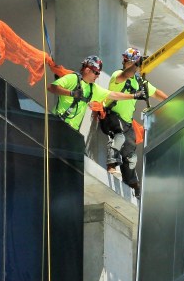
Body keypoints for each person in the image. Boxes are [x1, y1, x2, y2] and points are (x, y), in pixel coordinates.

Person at [100, 47, 168, 197]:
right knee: (119, 137)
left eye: (132, 62)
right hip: (111, 116)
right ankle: (111, 166)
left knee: (131, 156)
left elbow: (155, 92)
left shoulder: (139, 81)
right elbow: (126, 74)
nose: (128, 64)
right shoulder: (118, 75)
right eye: (128, 61)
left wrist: (170, 101)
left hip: (126, 122)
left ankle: (131, 183)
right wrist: (137, 64)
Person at [45, 55, 138, 133]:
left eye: (99, 73)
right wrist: (71, 93)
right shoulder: (73, 79)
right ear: (87, 70)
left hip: (72, 131)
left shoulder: (92, 88)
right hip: (56, 124)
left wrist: (134, 96)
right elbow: (51, 87)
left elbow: (113, 95)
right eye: (96, 72)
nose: (98, 76)